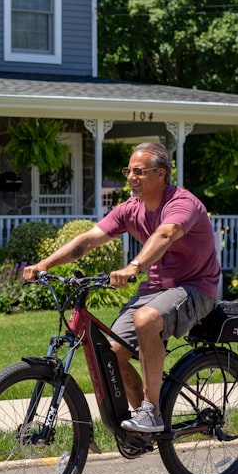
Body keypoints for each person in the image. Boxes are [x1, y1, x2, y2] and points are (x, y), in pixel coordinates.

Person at [22, 141, 220, 433]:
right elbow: (89, 239)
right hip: (156, 290)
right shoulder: (131, 209)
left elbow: (165, 234)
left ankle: (152, 412)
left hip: (195, 288)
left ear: (161, 174)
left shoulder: (182, 203)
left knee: (146, 319)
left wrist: (134, 266)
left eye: (139, 171)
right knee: (112, 353)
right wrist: (44, 265)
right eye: (128, 170)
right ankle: (140, 421)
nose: (130, 177)